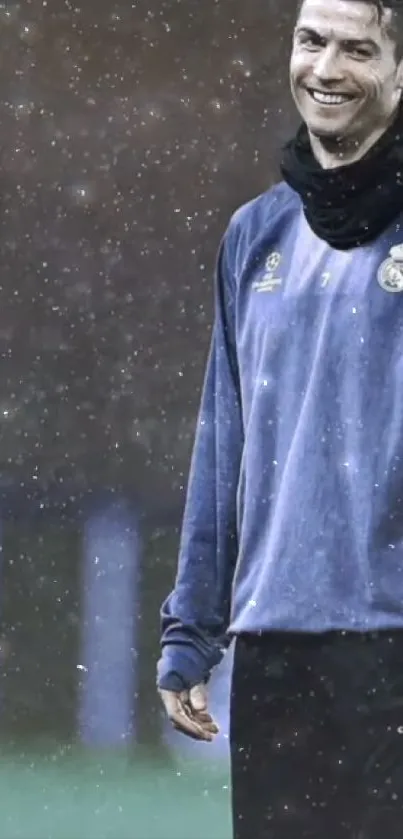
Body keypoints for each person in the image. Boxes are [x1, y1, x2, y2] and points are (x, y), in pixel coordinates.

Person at [157, 0, 403, 835]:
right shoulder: (252, 234)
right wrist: (191, 630)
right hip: (274, 646)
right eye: (310, 42)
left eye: (356, 49)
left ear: (399, 70)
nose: (326, 69)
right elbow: (222, 441)